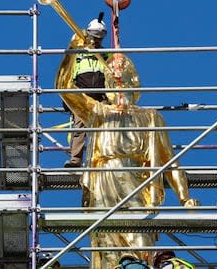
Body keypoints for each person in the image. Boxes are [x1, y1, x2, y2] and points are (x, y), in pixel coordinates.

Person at [56, 35, 199, 268]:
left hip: (138, 184)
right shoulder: (98, 112)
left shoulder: (150, 117)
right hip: (104, 180)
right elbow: (64, 89)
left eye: (124, 78)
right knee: (105, 245)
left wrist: (184, 197)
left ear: (134, 82)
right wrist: (72, 51)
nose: (118, 82)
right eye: (113, 79)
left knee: (140, 242)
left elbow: (169, 162)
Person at [64, 15, 109, 168]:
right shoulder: (78, 52)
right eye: (95, 37)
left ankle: (104, 160)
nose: (97, 40)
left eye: (100, 38)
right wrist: (67, 99)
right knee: (79, 127)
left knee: (106, 128)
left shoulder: (105, 54)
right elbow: (67, 73)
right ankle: (76, 160)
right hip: (81, 96)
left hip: (101, 96)